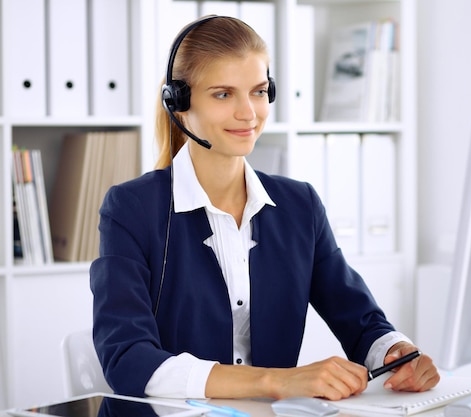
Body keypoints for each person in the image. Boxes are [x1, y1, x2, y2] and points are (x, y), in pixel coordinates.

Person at [90, 15, 440, 401]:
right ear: (180, 103)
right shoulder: (132, 209)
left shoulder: (299, 205)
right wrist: (274, 381)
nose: (249, 113)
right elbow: (126, 358)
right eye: (223, 94)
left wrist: (395, 352)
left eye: (258, 92)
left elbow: (360, 320)